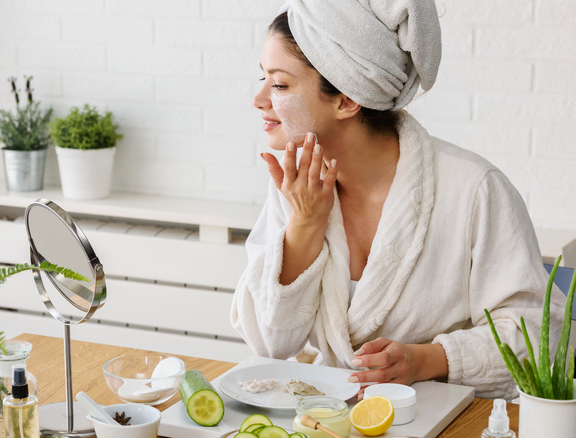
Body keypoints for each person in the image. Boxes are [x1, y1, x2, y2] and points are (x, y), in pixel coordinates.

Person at [230, 0, 565, 400]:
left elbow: (539, 337)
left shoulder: (474, 190)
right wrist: (305, 224)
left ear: (346, 100)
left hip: (448, 420)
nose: (259, 99)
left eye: (280, 84)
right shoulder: (300, 186)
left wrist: (429, 359)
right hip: (333, 417)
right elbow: (269, 343)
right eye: (263, 78)